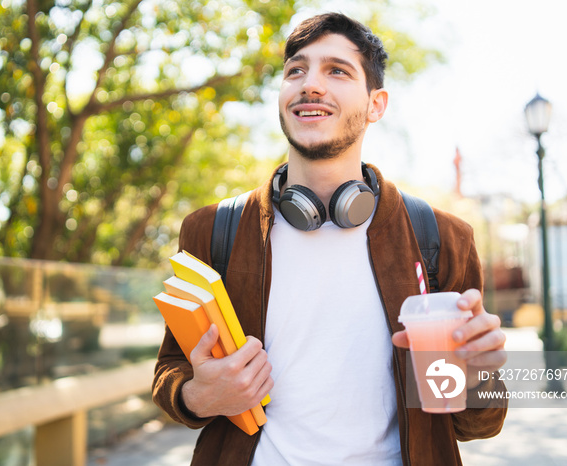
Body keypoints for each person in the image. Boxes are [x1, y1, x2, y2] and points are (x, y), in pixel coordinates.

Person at [153, 12, 507, 465]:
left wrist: (480, 376)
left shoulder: (441, 237)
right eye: (295, 70)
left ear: (376, 104)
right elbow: (170, 370)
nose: (310, 84)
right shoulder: (212, 230)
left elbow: (476, 424)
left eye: (336, 70)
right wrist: (199, 396)